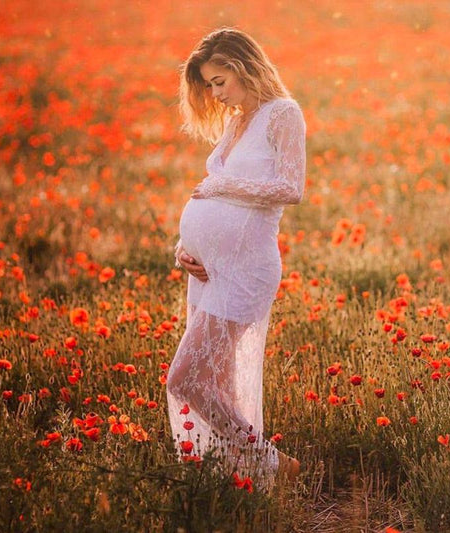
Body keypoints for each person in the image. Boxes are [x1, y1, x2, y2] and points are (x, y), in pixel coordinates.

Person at [166, 27, 306, 490]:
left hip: (247, 271)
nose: (216, 94)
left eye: (220, 80)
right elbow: (210, 195)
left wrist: (220, 188)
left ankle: (270, 465)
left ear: (245, 67)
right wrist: (187, 247)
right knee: (216, 384)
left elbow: (290, 188)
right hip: (208, 270)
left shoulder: (283, 114)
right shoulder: (235, 122)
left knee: (186, 379)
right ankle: (236, 474)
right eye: (209, 85)